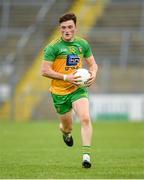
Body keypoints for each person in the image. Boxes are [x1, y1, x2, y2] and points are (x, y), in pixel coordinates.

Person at [41, 12, 98, 168]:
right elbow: (44, 71)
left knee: (85, 118)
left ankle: (86, 156)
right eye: (63, 28)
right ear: (60, 29)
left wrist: (93, 74)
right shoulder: (53, 47)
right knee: (68, 127)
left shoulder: (82, 44)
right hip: (59, 93)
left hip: (77, 89)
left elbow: (93, 64)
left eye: (70, 27)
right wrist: (66, 78)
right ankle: (65, 133)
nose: (67, 30)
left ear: (75, 27)